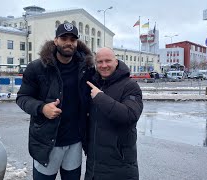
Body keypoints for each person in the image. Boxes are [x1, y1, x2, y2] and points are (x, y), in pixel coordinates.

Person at [16, 22, 95, 180]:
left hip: (75, 142)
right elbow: (22, 98)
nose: (68, 42)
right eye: (63, 38)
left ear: (76, 43)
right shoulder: (37, 68)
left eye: (72, 39)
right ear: (55, 40)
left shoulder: (86, 68)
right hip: (46, 142)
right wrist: (42, 108)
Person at [84, 47, 143, 180]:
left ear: (116, 61)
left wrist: (100, 98)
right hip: (94, 167)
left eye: (108, 61)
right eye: (100, 62)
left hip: (120, 167)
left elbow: (130, 115)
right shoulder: (94, 83)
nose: (104, 65)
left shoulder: (130, 86)